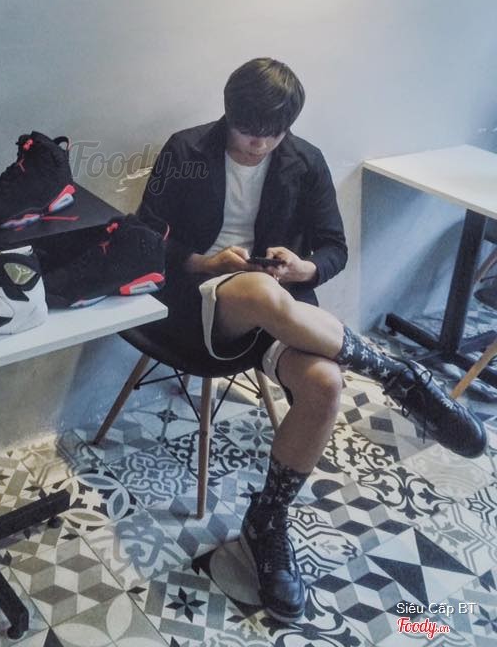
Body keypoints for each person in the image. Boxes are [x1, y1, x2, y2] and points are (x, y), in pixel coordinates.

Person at [138, 57, 485, 625]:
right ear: (228, 114)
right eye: (248, 131)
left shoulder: (305, 160)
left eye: (273, 133)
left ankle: (267, 522)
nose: (259, 143)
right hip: (198, 304)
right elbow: (143, 237)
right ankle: (399, 374)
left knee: (325, 383)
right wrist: (205, 261)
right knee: (260, 291)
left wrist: (305, 268)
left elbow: (333, 248)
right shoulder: (187, 150)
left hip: (281, 306)